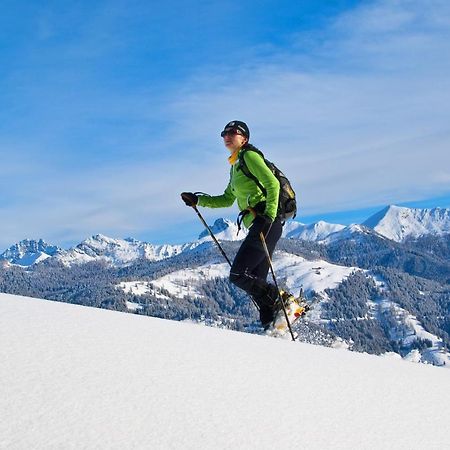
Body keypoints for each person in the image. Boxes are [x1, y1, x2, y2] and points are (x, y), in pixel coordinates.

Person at [181, 120, 290, 329]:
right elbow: (226, 199)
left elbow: (273, 184)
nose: (227, 136)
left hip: (266, 222)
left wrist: (268, 215)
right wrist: (198, 200)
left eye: (233, 132)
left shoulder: (249, 156)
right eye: (224, 133)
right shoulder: (235, 166)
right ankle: (272, 326)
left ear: (244, 138)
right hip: (262, 223)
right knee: (255, 281)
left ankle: (282, 300)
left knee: (239, 274)